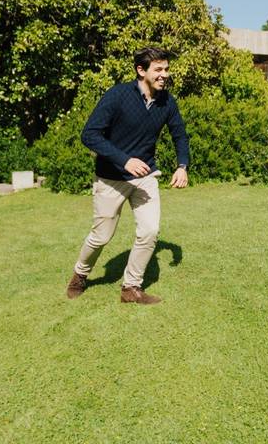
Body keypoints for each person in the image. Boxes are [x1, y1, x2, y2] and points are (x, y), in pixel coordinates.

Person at [65, 47, 190, 304]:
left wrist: (182, 166)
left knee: (150, 230)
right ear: (141, 70)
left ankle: (131, 288)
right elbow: (90, 134)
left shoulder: (167, 102)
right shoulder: (118, 95)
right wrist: (124, 160)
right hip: (111, 178)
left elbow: (179, 134)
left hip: (145, 178)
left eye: (166, 69)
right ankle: (80, 274)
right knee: (101, 236)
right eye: (159, 69)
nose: (165, 74)